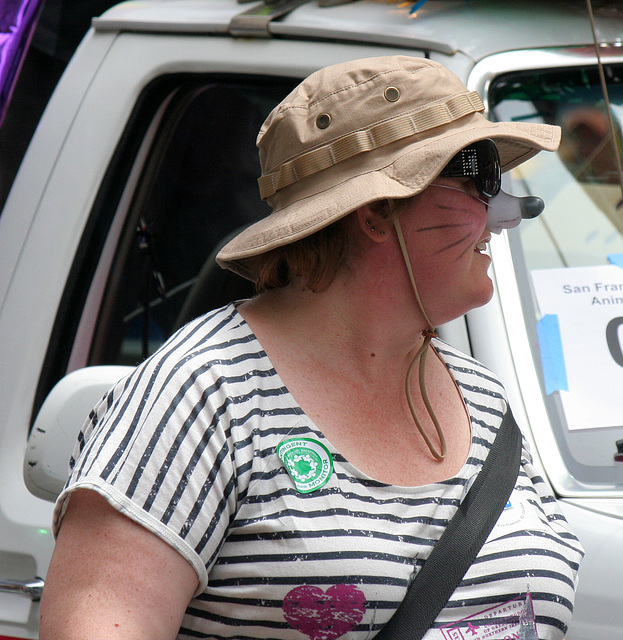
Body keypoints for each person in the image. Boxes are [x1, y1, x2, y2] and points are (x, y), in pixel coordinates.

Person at [40, 56, 583, 640]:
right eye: (479, 178)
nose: (508, 212)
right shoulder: (203, 395)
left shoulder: (483, 396)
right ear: (376, 214)